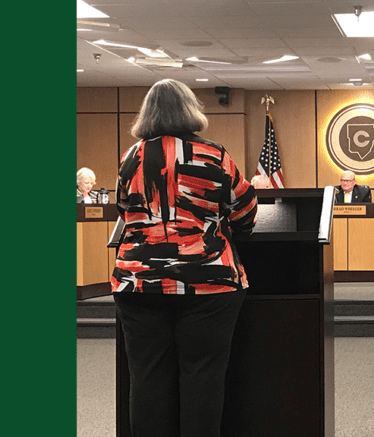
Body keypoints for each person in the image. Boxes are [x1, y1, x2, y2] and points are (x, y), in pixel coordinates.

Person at [111, 79, 258, 437]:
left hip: (139, 282)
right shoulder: (214, 155)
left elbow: (122, 209)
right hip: (207, 282)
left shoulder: (131, 158)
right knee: (203, 376)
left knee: (146, 376)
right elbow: (246, 212)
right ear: (191, 109)